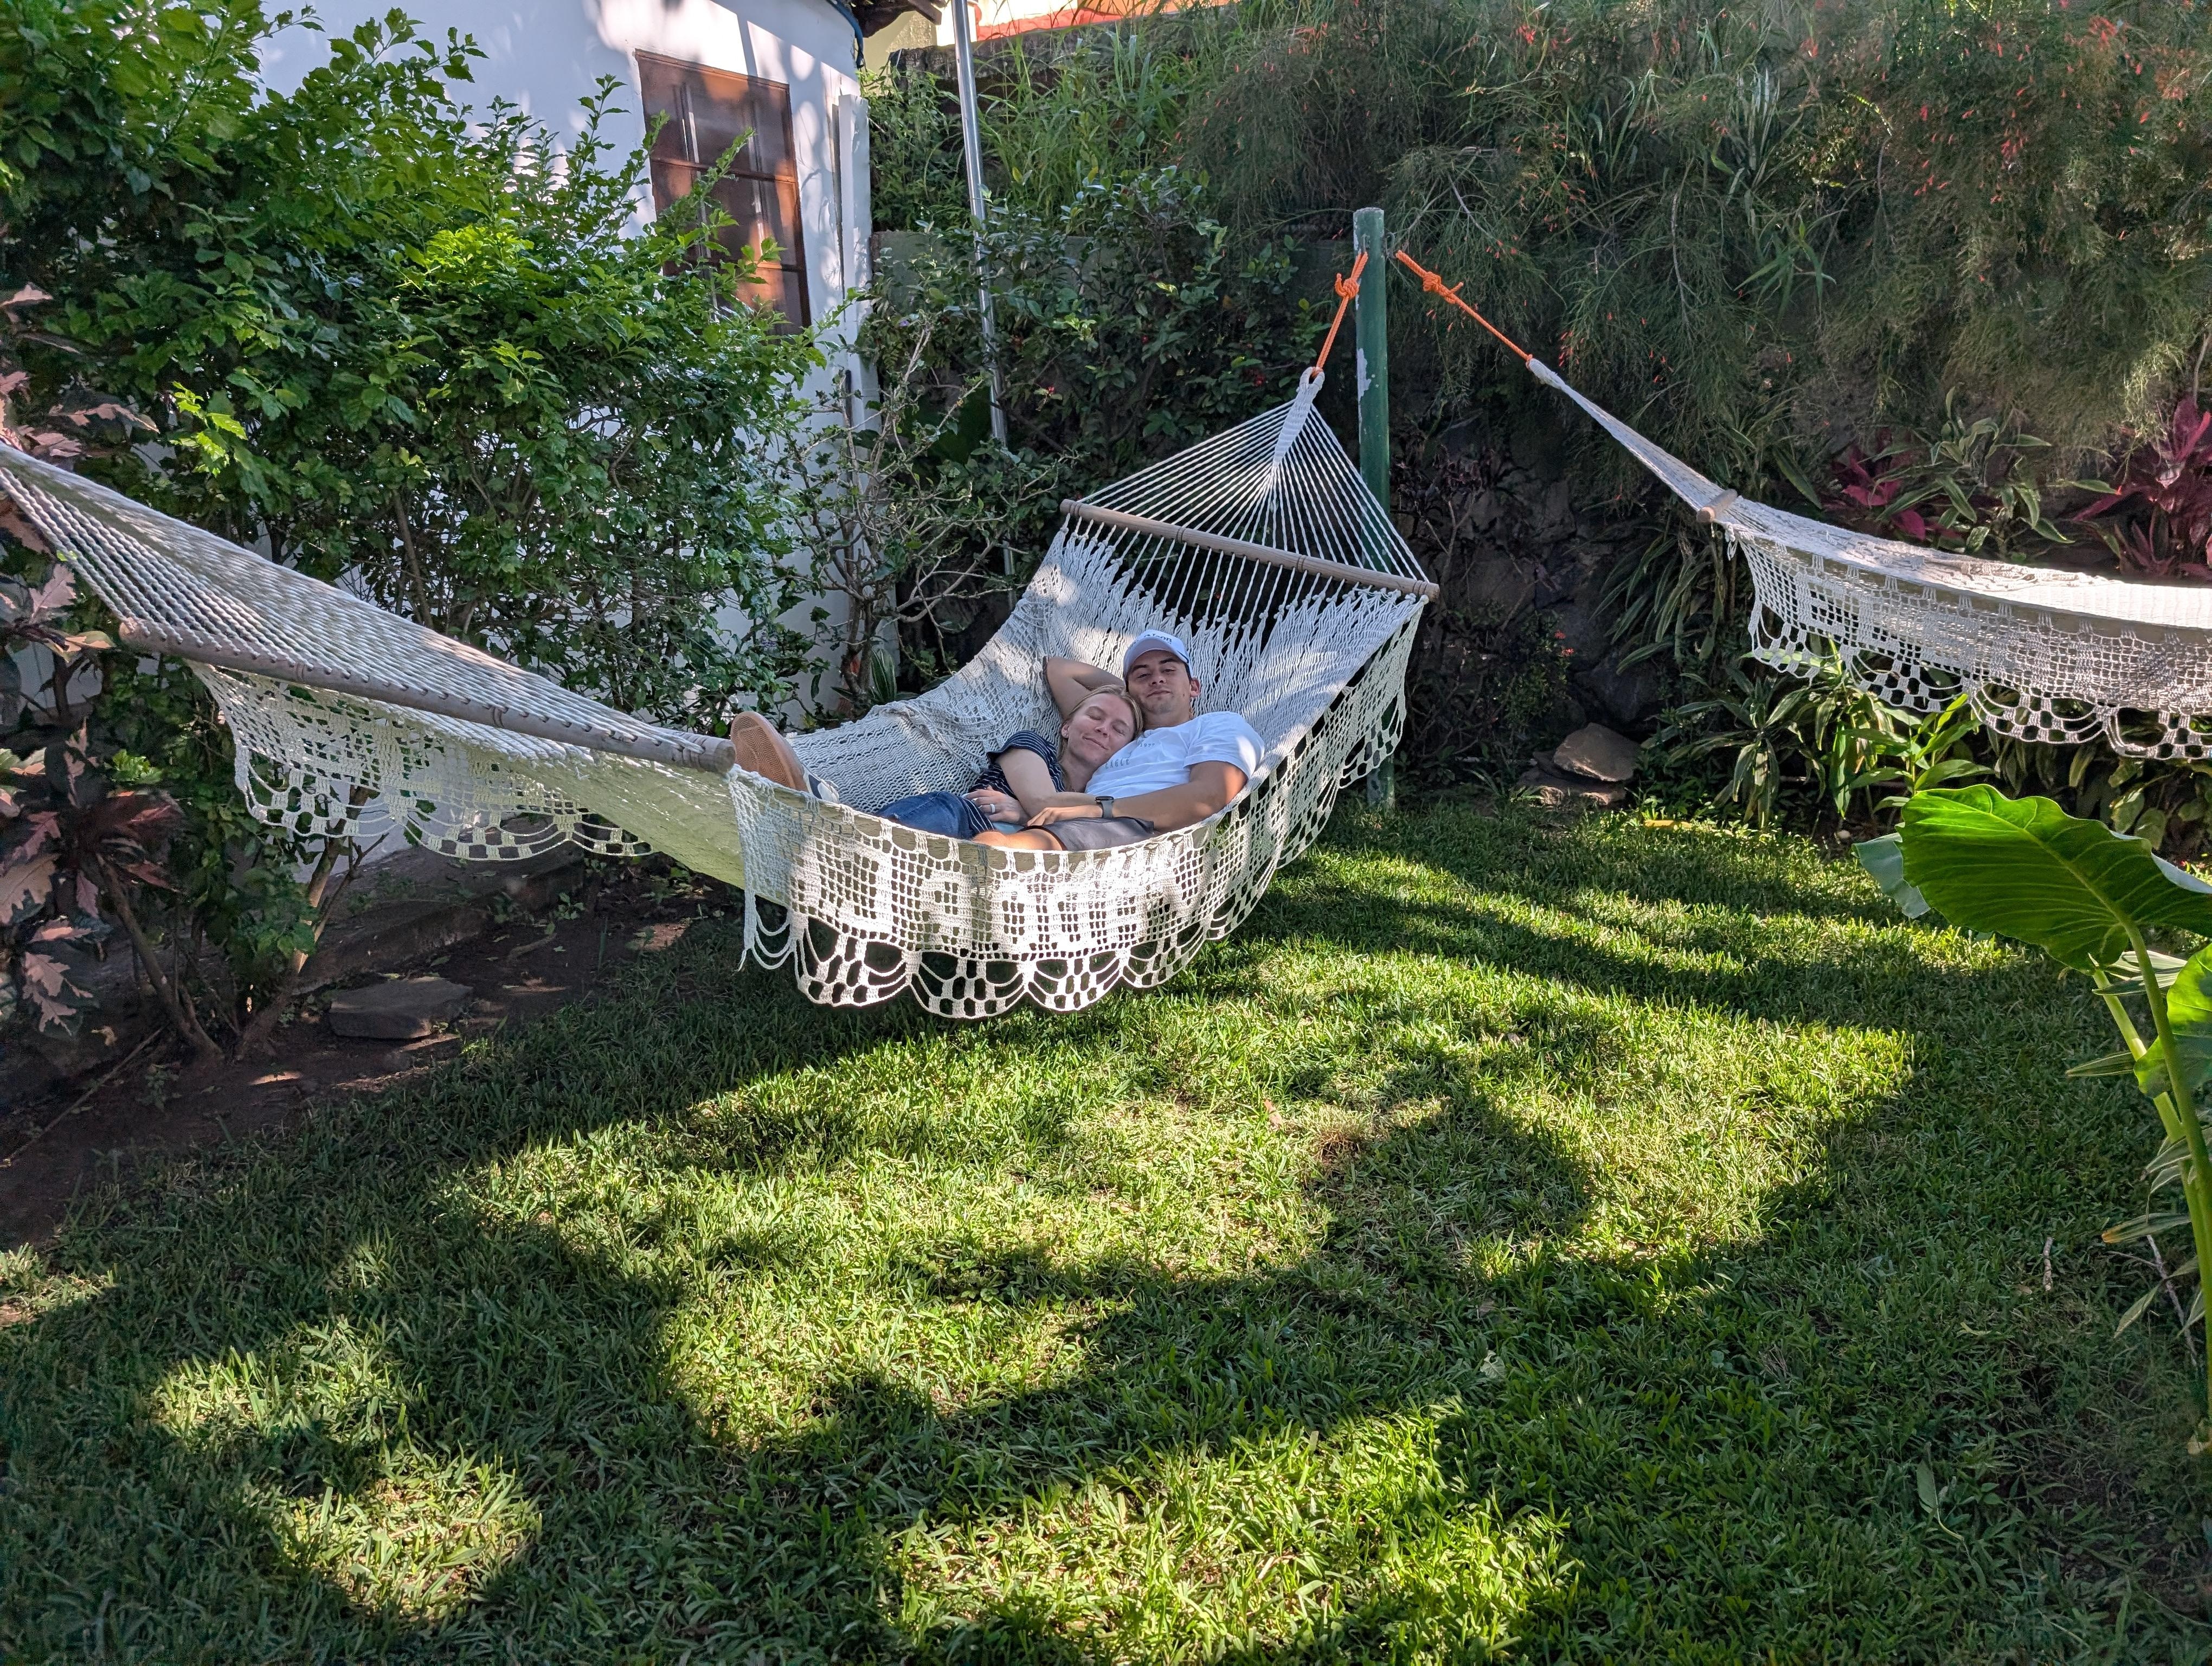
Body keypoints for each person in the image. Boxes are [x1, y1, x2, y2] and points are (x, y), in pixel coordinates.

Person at [971, 629, 1263, 853]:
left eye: (1169, 670)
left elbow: (1208, 796)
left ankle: (994, 853)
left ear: (1194, 686)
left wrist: (1101, 810)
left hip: (1142, 834)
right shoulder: (1119, 735)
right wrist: (1126, 699)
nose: (1157, 679)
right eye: (1143, 674)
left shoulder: (1219, 724)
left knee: (1001, 848)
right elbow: (1058, 669)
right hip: (1075, 824)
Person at [724, 685, 1144, 840]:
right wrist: (1034, 809)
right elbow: (1041, 797)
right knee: (921, 820)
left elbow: (1045, 814)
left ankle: (817, 817)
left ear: (1127, 747)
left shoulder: (1101, 797)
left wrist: (1024, 812)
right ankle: (821, 818)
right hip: (959, 824)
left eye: (1119, 728)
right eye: (1094, 715)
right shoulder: (1033, 745)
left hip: (999, 863)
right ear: (1067, 727)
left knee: (862, 846)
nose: (1104, 728)